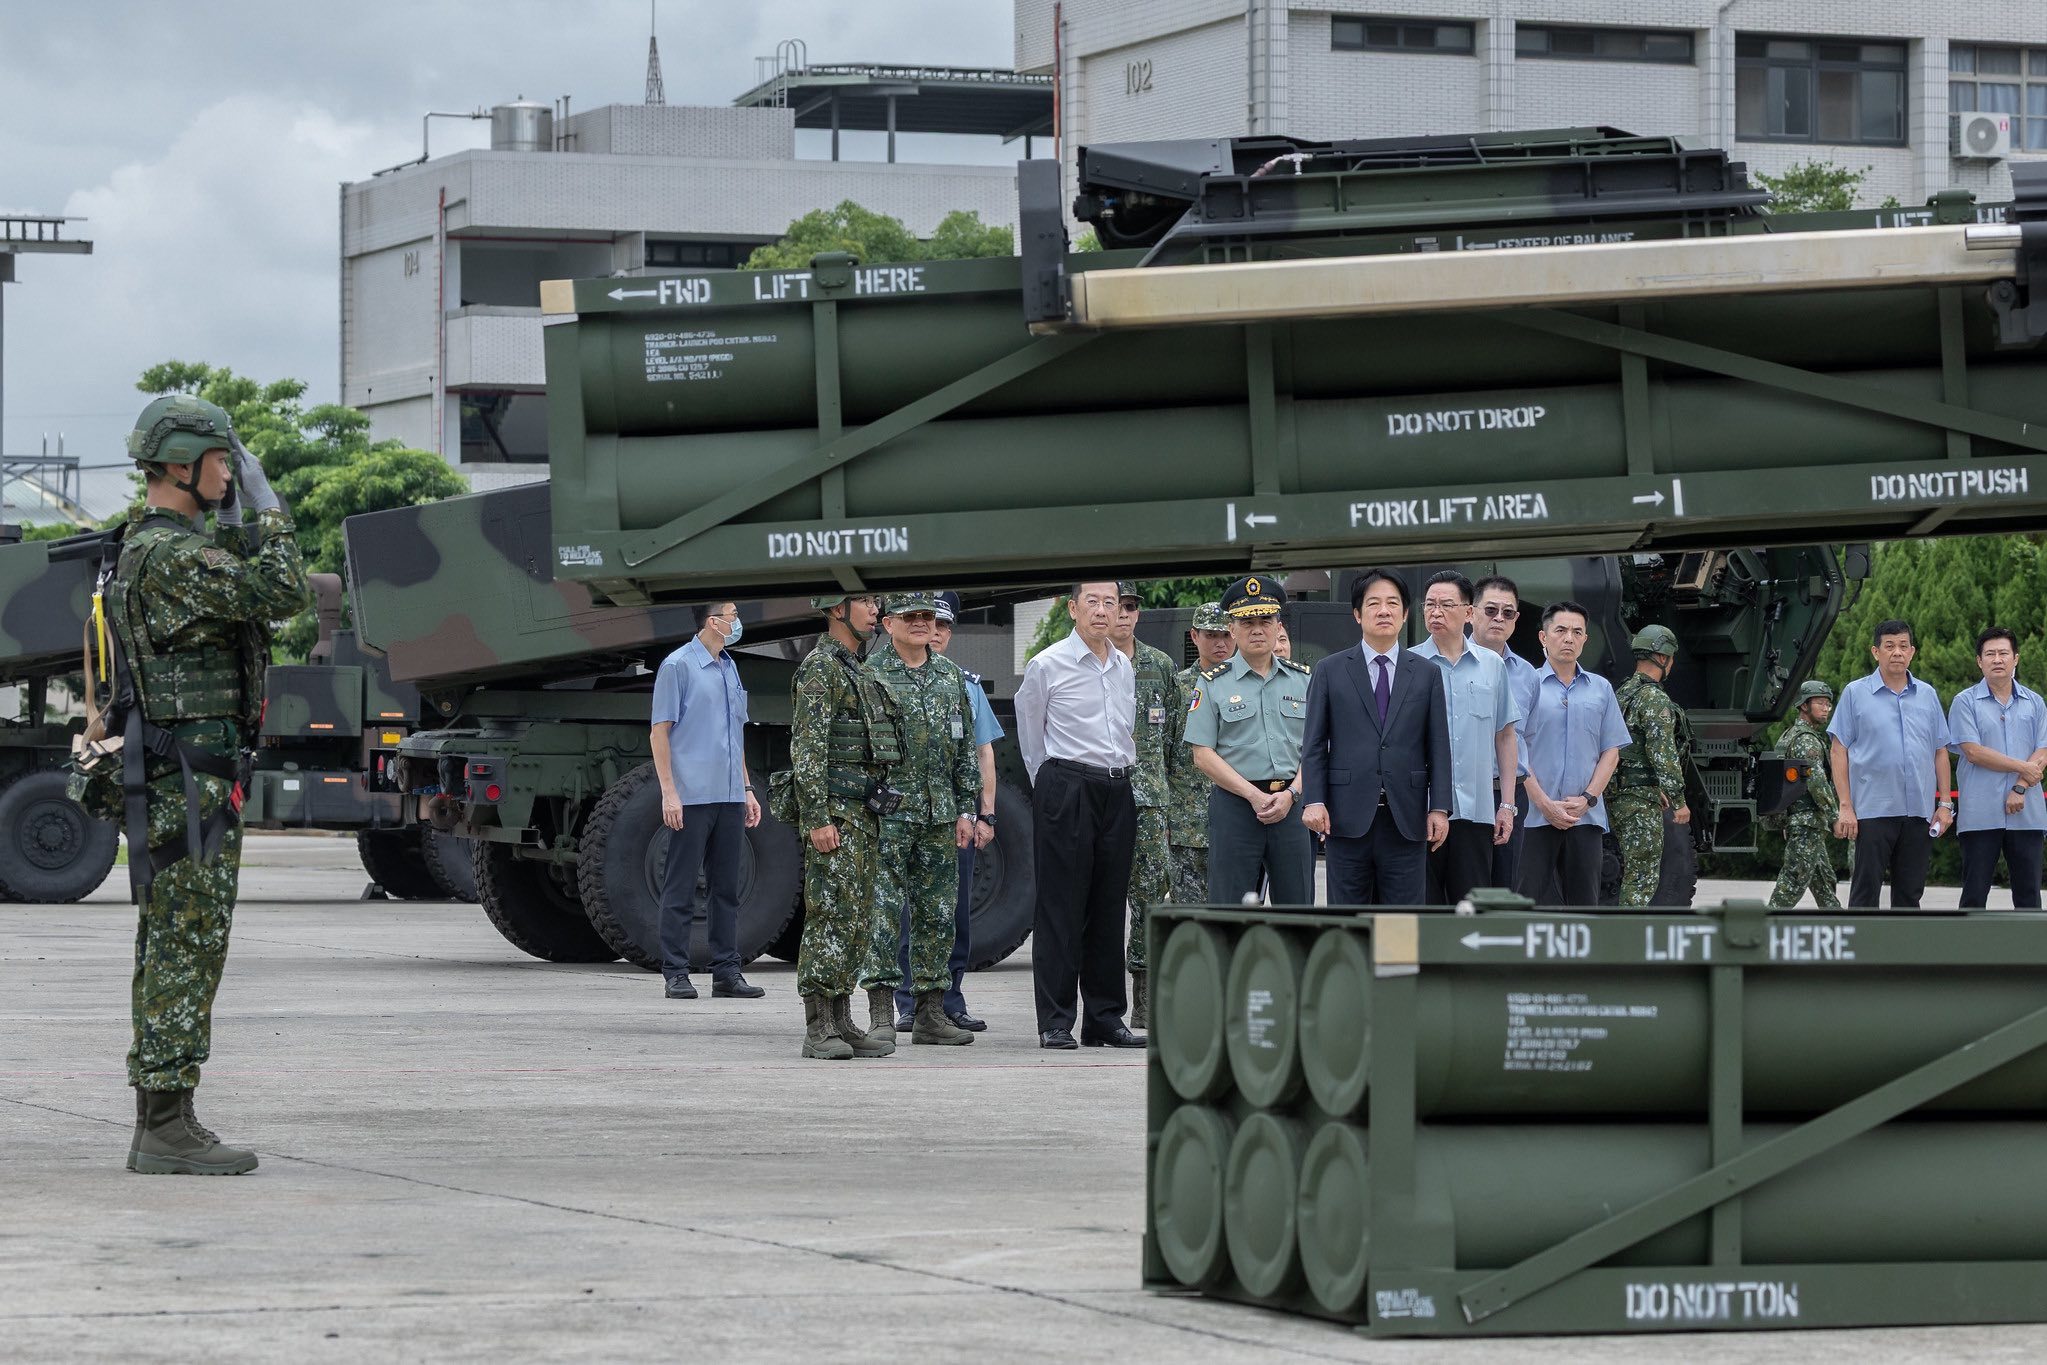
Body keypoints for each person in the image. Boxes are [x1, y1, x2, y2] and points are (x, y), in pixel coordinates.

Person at [102, 395, 310, 1175]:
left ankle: (167, 1113)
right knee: (188, 944)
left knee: (174, 943)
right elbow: (283, 592)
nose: (233, 472)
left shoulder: (152, 547)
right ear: (182, 465)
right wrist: (271, 510)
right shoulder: (174, 556)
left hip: (180, 778)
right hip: (190, 783)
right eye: (223, 461)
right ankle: (164, 1124)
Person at [1014, 581, 1143, 1050]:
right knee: (1060, 907)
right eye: (1093, 601)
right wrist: (1051, 787)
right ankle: (1055, 1020)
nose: (1103, 610)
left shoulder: (1124, 665)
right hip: (1067, 786)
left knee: (1109, 908)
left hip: (1117, 786)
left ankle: (1105, 1018)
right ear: (1073, 609)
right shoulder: (1047, 664)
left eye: (1112, 602)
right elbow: (1031, 735)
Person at [860, 593, 980, 1046]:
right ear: (888, 624)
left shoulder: (951, 678)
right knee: (884, 916)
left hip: (939, 815)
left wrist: (968, 808)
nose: (921, 624)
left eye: (927, 617)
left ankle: (931, 1015)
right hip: (887, 816)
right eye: (911, 617)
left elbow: (965, 749)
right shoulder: (871, 676)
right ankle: (881, 1015)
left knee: (938, 916)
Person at [787, 593, 896, 1061]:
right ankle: (818, 1028)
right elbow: (807, 749)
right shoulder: (820, 668)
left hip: (862, 813)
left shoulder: (859, 668)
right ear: (837, 610)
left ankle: (842, 1019)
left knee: (855, 919)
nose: (875, 610)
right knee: (830, 916)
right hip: (835, 814)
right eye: (866, 602)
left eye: (876, 602)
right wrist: (816, 818)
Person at [1300, 568, 1451, 906]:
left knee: (1400, 925)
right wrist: (1314, 799)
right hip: (1346, 818)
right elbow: (1313, 743)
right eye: (1374, 604)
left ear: (1405, 614)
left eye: (1393, 603)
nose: (1384, 611)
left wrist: (1439, 807)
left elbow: (1438, 746)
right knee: (1348, 921)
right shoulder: (1330, 670)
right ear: (1357, 614)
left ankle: (1394, 963)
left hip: (1406, 819)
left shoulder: (1426, 673)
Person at [889, 590, 998, 1033]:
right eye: (925, 621)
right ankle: (907, 1003)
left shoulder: (963, 684)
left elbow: (982, 754)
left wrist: (985, 814)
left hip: (955, 815)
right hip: (903, 814)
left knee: (953, 912)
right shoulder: (881, 677)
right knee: (904, 913)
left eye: (942, 624)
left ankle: (949, 999)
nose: (934, 631)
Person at [650, 601, 765, 1001]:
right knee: (681, 887)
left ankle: (726, 972)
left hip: (730, 795)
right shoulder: (677, 666)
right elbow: (659, 732)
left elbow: (736, 735)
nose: (737, 622)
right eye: (732, 615)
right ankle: (676, 972)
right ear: (712, 621)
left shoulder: (730, 666)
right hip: (692, 796)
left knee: (725, 888)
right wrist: (669, 792)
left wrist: (747, 789)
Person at [1186, 577, 1316, 906]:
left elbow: (1316, 748)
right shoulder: (1212, 682)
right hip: (1236, 807)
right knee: (1229, 907)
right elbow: (1201, 753)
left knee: (1298, 906)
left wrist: (1292, 794)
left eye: (1265, 621)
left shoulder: (1303, 679)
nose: (1257, 629)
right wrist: (1252, 795)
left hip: (1291, 806)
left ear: (1277, 626)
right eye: (1247, 622)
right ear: (1233, 630)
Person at [1410, 570, 1519, 904]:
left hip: (1476, 811)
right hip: (1420, 810)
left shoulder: (1491, 666)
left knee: (1471, 909)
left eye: (1446, 604)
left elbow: (1505, 735)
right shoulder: (1408, 664)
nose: (1436, 612)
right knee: (1419, 907)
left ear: (1469, 613)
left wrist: (1507, 805)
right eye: (1429, 605)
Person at [1829, 619, 1953, 909]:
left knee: (1910, 894)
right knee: (1865, 892)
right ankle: (1862, 952)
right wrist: (1845, 805)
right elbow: (1838, 750)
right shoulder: (1855, 693)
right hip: (1873, 810)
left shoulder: (1927, 694)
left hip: (1918, 812)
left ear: (1912, 652)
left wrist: (1945, 803)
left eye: (1903, 646)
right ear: (1876, 652)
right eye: (1889, 646)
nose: (1897, 652)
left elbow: (1940, 751)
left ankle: (1904, 952)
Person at [1515, 600, 1630, 906]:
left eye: (1577, 632)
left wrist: (1588, 798)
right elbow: (1515, 749)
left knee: (1584, 907)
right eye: (1561, 630)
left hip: (1585, 816)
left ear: (1584, 640)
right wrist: (1543, 803)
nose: (1569, 638)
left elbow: (1611, 750)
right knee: (1526, 904)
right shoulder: (1526, 685)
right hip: (1534, 817)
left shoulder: (1601, 689)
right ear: (1543, 636)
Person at [1112, 582, 1185, 1029]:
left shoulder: (1161, 667)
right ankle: (1102, 1004)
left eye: (1131, 607)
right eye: (1116, 606)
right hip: (1101, 797)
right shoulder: (1086, 664)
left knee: (1149, 901)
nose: (1123, 614)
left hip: (1151, 803)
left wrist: (1173, 808)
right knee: (1098, 904)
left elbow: (1177, 743)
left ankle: (1144, 999)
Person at [1948, 627, 2047, 909]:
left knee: (2029, 896)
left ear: (2016, 658)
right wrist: (2023, 768)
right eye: (1990, 654)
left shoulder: (2035, 702)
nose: (1997, 659)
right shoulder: (1964, 702)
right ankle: (1970, 952)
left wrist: (2020, 786)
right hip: (1980, 813)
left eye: (2004, 653)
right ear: (1979, 661)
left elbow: (2043, 750)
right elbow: (1973, 752)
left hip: (2027, 812)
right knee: (1974, 895)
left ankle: (2029, 954)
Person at [1608, 625, 1692, 907]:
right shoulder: (1654, 698)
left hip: (1617, 793)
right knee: (1642, 878)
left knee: (1633, 872)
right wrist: (1679, 802)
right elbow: (1663, 753)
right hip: (1640, 800)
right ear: (1663, 657)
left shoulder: (1622, 694)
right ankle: (1629, 942)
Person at [1472, 575, 1540, 888]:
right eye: (1490, 610)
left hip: (1511, 795)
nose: (1499, 618)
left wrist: (1511, 803)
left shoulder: (1528, 674)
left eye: (1507, 612)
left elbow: (1527, 738)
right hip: (1464, 791)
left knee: (1506, 887)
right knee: (1462, 889)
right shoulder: (1445, 663)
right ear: (1471, 612)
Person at [1165, 602, 1232, 910]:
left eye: (1226, 634)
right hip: (1186, 824)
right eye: (1211, 635)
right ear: (1194, 636)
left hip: (1236, 819)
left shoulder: (1246, 684)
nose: (1220, 643)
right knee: (1190, 914)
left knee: (1234, 912)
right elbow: (1162, 754)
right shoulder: (1178, 687)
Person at [1770, 680, 1843, 910]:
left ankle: (1837, 924)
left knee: (1824, 882)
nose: (1826, 709)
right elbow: (1817, 783)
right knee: (1792, 881)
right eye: (1820, 703)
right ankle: (1763, 928)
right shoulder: (1806, 740)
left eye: (1828, 704)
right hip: (1806, 822)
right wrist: (1835, 816)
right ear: (1804, 705)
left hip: (1803, 821)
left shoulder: (1791, 735)